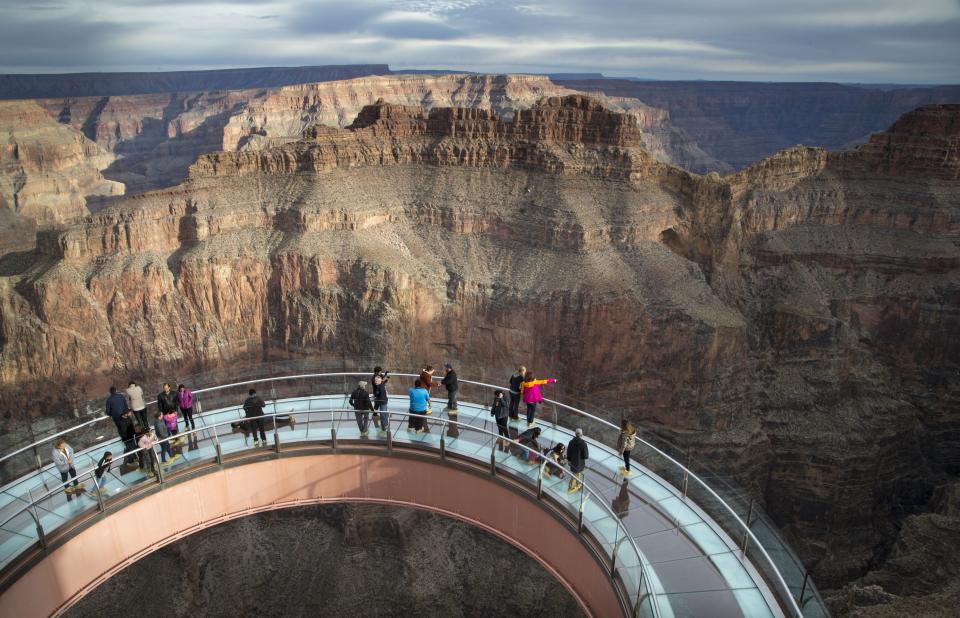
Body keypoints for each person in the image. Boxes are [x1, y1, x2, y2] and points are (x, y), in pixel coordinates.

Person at [567, 428, 589, 493]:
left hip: (572, 461)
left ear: (575, 434)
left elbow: (568, 452)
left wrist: (569, 460)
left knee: (576, 473)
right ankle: (571, 487)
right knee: (576, 474)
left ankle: (578, 484)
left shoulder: (571, 442)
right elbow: (586, 456)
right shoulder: (583, 444)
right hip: (580, 462)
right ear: (581, 434)